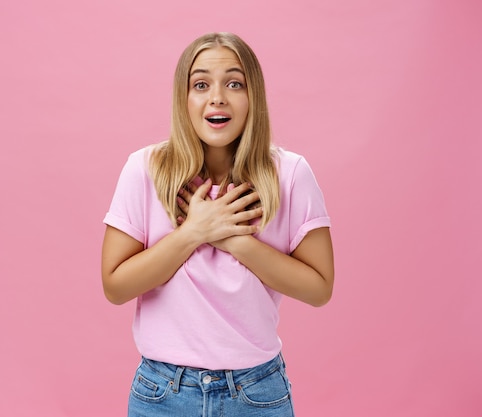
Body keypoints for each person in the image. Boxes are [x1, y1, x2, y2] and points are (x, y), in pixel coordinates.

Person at [101, 32, 334, 417]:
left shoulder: (291, 174)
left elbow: (319, 288)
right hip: (162, 393)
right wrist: (194, 232)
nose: (217, 97)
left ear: (252, 96)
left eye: (234, 83)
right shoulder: (144, 169)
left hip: (257, 393)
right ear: (184, 99)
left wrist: (236, 241)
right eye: (201, 84)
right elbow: (116, 285)